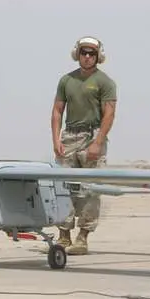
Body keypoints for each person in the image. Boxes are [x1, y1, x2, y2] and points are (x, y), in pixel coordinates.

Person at [49, 36, 117, 255]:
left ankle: (82, 237)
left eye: (91, 54)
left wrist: (98, 142)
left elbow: (109, 114)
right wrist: (56, 140)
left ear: (98, 56)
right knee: (62, 187)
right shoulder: (66, 80)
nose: (87, 57)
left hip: (92, 136)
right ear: (77, 54)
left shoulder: (105, 82)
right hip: (69, 136)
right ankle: (64, 235)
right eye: (83, 53)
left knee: (91, 189)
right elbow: (57, 110)